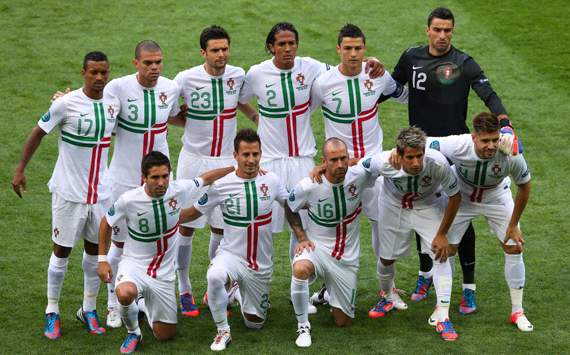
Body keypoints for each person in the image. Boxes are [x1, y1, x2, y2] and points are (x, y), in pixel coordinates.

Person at [384, 7, 519, 311]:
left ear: (452, 31)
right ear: (427, 30)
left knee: (462, 214)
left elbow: (490, 94)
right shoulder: (411, 58)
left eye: (448, 30)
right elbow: (391, 87)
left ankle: (468, 285)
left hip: (457, 151)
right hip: (421, 150)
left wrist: (505, 122)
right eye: (437, 30)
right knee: (424, 207)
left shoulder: (463, 63)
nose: (442, 36)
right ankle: (425, 273)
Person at [238, 22, 385, 267]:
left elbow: (345, 67)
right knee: (260, 223)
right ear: (270, 47)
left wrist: (370, 59)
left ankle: (302, 285)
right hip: (269, 161)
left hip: (304, 159)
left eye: (291, 43)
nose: (287, 49)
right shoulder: (256, 73)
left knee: (305, 226)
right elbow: (239, 99)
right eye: (281, 44)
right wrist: (255, 116)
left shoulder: (312, 67)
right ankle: (250, 281)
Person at [12, 51, 118, 339]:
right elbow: (37, 132)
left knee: (97, 253)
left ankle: (88, 309)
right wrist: (20, 169)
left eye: (103, 72)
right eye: (93, 72)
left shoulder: (113, 102)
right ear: (83, 71)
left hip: (101, 194)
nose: (99, 77)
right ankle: (52, 310)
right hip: (68, 194)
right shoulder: (66, 105)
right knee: (62, 251)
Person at [179, 129, 307, 351]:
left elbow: (290, 204)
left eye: (255, 154)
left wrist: (302, 234)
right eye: (245, 155)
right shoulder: (221, 185)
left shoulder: (272, 179)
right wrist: (162, 214)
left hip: (260, 264)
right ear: (235, 155)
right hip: (231, 255)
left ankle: (236, 291)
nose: (251, 160)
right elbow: (193, 213)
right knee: (215, 275)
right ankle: (223, 331)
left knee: (254, 324)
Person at [309, 24, 407, 307]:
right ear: (338, 49)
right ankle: (329, 289)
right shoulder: (323, 83)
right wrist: (320, 160)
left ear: (364, 50)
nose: (353, 54)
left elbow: (403, 95)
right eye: (348, 48)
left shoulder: (376, 74)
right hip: (341, 169)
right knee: (334, 230)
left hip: (375, 167)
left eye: (358, 48)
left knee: (381, 226)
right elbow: (302, 116)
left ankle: (387, 290)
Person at [97, 151, 233, 353]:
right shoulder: (128, 200)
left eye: (165, 176)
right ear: (144, 178)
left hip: (164, 275)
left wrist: (236, 168)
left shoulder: (179, 189)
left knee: (165, 336)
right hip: (135, 265)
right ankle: (133, 332)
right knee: (125, 294)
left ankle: (142, 304)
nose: (161, 182)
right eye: (155, 177)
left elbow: (206, 178)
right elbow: (106, 222)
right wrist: (102, 259)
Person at [171, 25, 255, 317]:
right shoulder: (186, 79)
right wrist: (185, 124)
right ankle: (184, 290)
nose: (221, 55)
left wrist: (255, 116)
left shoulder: (238, 75)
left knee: (222, 227)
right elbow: (166, 109)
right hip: (194, 160)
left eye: (225, 49)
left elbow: (240, 100)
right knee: (186, 225)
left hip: (224, 163)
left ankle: (215, 287)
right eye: (215, 50)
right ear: (203, 53)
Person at [101, 40, 185, 327]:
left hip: (159, 178)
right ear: (135, 63)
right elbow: (102, 115)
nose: (154, 68)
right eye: (148, 63)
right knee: (120, 242)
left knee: (157, 237)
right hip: (124, 180)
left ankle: (149, 298)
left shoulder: (170, 88)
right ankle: (113, 302)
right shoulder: (117, 88)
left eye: (158, 62)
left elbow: (174, 116)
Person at [426, 112, 533, 332]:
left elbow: (524, 185)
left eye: (495, 139)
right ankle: (441, 309)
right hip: (461, 198)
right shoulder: (457, 145)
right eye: (485, 140)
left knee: (514, 248)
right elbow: (424, 144)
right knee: (445, 249)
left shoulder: (511, 153)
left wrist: (513, 225)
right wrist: (398, 154)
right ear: (473, 137)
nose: (491, 145)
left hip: (496, 196)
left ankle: (517, 311)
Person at [363, 127, 461, 341]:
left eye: (419, 156)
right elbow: (360, 168)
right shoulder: (383, 161)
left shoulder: (438, 163)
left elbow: (455, 196)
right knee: (386, 258)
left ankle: (443, 315)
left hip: (427, 205)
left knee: (441, 253)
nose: (416, 162)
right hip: (393, 206)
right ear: (398, 154)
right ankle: (388, 296)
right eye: (410, 157)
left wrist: (442, 234)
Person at [287, 138, 378, 348]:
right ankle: (303, 326)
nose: (339, 165)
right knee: (300, 269)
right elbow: (289, 206)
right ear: (324, 161)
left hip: (347, 258)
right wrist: (301, 237)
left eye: (343, 159)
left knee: (342, 322)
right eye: (333, 160)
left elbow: (377, 162)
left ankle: (325, 293)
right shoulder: (309, 185)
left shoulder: (359, 175)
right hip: (317, 249)